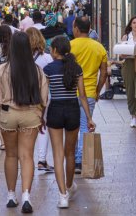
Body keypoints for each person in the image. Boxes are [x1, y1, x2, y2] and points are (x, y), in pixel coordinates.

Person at [0, 32, 49, 214]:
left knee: (11, 156)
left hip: (8, 115)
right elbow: (44, 98)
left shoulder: (2, 70)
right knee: (27, 156)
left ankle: (10, 195)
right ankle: (26, 196)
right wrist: (41, 117)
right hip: (30, 115)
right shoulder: (37, 70)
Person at [44, 36, 95, 208]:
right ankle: (69, 185)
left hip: (55, 110)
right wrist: (89, 118)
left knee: (57, 154)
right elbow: (82, 96)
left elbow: (44, 97)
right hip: (73, 110)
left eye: (51, 48)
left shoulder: (48, 69)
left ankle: (62, 196)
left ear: (55, 50)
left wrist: (40, 116)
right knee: (70, 153)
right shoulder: (76, 68)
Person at [70, 16, 107, 174]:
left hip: (71, 92)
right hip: (90, 92)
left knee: (73, 127)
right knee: (85, 125)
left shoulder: (70, 46)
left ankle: (76, 159)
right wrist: (98, 90)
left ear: (77, 29)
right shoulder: (99, 48)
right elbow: (104, 72)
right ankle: (80, 160)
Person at [26, 27, 54, 172]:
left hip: (24, 96)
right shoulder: (47, 58)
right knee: (43, 126)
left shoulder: (20, 58)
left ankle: (26, 158)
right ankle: (42, 160)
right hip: (43, 96)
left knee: (26, 126)